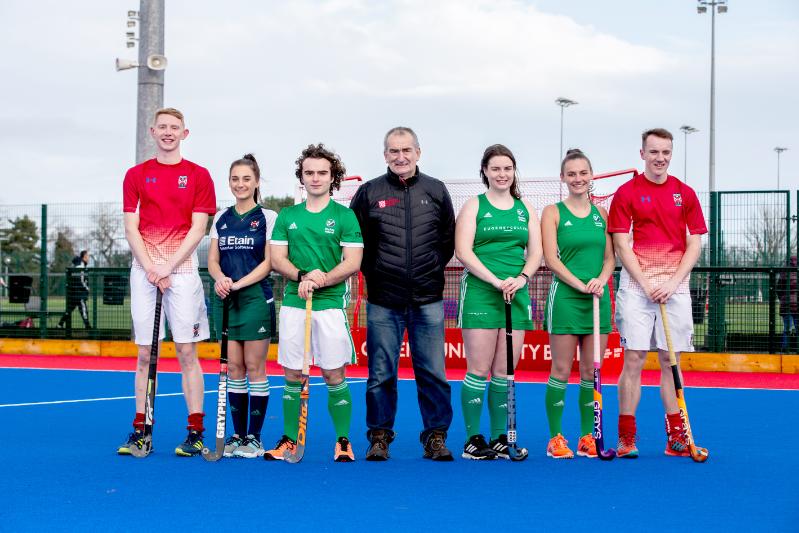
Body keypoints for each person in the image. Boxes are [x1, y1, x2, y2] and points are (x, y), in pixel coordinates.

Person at [350, 126, 456, 461]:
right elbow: (356, 242)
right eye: (393, 151)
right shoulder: (368, 193)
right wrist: (376, 272)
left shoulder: (436, 191)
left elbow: (447, 240)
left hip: (428, 298)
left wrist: (430, 268)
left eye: (406, 150)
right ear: (385, 155)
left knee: (433, 372)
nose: (400, 157)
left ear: (418, 153)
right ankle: (379, 437)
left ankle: (435, 437)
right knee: (381, 373)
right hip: (384, 300)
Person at [118, 107, 216, 457]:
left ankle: (195, 431)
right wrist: (150, 268)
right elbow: (131, 227)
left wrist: (168, 266)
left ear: (185, 133)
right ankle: (140, 429)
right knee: (145, 353)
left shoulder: (199, 175)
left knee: (187, 352)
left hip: (183, 270)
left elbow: (199, 228)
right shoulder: (135, 175)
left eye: (175, 127)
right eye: (163, 127)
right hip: (144, 271)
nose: (168, 132)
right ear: (152, 131)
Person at [608, 128, 707, 458]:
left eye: (665, 152)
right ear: (642, 154)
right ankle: (626, 437)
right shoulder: (627, 193)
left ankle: (676, 437)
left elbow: (695, 243)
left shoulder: (685, 193)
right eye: (654, 152)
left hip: (675, 286)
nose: (660, 158)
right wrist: (648, 283)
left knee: (670, 360)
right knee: (633, 358)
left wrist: (673, 281)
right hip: (637, 287)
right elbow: (622, 244)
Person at [263, 143, 363, 462]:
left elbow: (353, 262)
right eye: (310, 173)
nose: (316, 178)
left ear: (333, 177)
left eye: (322, 173)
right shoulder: (288, 216)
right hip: (294, 305)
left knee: (334, 375)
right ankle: (289, 440)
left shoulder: (345, 217)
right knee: (292, 375)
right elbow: (277, 258)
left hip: (330, 306)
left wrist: (321, 279)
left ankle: (343, 441)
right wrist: (303, 275)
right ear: (301, 177)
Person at [455, 144, 542, 460]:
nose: (502, 174)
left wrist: (522, 279)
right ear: (485, 172)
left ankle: (499, 438)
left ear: (513, 171)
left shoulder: (525, 209)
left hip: (515, 294)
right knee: (478, 369)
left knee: (505, 370)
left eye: (507, 168)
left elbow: (536, 253)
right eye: (495, 168)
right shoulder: (474, 206)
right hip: (481, 292)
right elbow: (463, 251)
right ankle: (472, 440)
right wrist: (494, 280)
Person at [541, 149, 615, 459]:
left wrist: (600, 280)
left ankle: (587, 436)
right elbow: (551, 259)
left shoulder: (602, 214)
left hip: (598, 298)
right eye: (571, 174)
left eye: (583, 173)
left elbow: (610, 258)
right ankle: (556, 438)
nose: (578, 179)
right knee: (560, 368)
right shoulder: (553, 212)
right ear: (563, 177)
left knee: (590, 371)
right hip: (567, 298)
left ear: (591, 175)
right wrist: (580, 284)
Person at [207, 154, 277, 458]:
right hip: (227, 299)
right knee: (233, 368)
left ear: (257, 182)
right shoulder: (221, 217)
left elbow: (269, 263)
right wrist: (221, 278)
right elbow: (212, 259)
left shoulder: (268, 217)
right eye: (235, 179)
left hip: (255, 298)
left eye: (246, 178)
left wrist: (239, 283)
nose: (240, 184)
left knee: (254, 367)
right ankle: (236, 435)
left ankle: (255, 438)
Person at [57, 250, 91, 329]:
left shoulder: (77, 265)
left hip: (73, 292)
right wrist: (87, 288)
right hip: (79, 293)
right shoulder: (81, 266)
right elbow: (81, 280)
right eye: (88, 256)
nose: (88, 258)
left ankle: (59, 324)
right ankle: (88, 326)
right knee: (83, 309)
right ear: (84, 256)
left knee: (69, 310)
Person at [777, 256, 798, 351]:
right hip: (797, 304)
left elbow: (778, 289)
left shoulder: (783, 273)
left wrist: (782, 299)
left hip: (786, 304)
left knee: (787, 328)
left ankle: (785, 348)